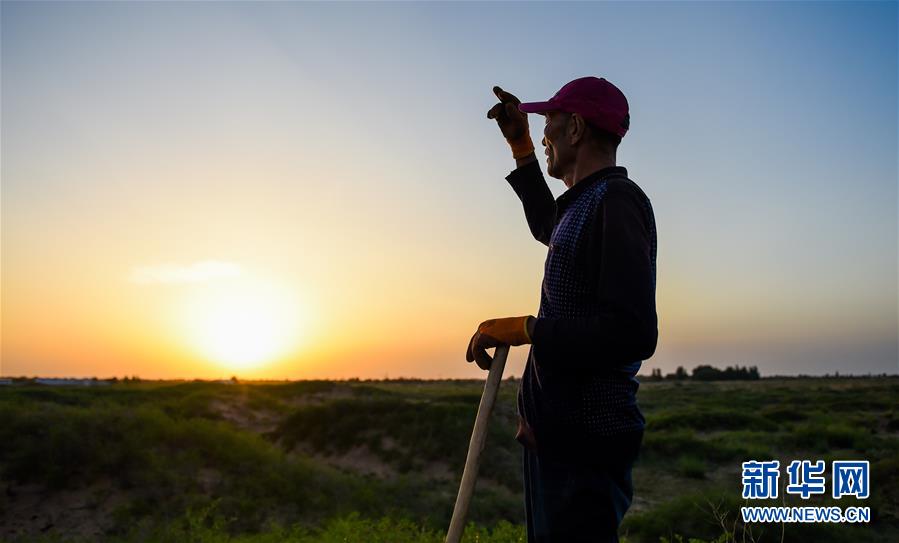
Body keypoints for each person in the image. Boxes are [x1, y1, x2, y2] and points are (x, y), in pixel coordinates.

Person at [465, 76, 658, 542]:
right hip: (557, 443)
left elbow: (632, 332)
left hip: (585, 448)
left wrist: (528, 329)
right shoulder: (586, 203)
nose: (544, 133)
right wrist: (521, 146)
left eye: (548, 122)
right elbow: (546, 223)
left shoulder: (617, 201)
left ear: (575, 128)